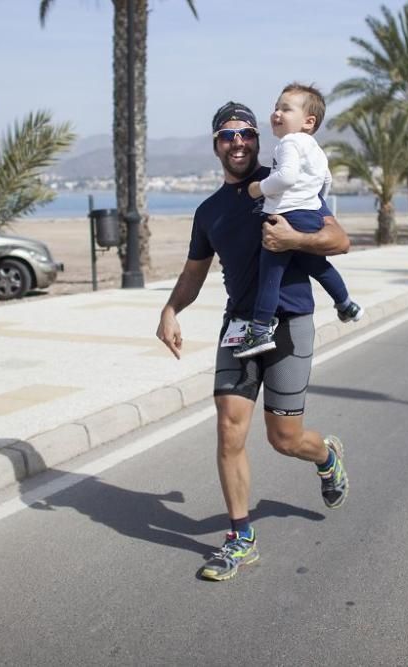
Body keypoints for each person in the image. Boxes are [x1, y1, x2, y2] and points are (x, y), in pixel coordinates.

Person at [156, 101, 350, 582]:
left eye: (245, 133)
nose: (238, 142)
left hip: (288, 321)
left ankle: (325, 455)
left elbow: (339, 240)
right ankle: (241, 537)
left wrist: (294, 240)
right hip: (240, 323)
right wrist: (169, 309)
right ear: (216, 144)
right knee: (229, 427)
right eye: (227, 135)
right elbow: (194, 274)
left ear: (258, 139)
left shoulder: (286, 182)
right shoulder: (209, 212)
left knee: (284, 439)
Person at [237, 83, 363, 358]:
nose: (277, 113)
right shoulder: (316, 149)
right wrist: (316, 207)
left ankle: (258, 332)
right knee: (318, 265)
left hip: (286, 216)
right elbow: (326, 181)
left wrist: (259, 188)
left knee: (271, 274)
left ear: (308, 121)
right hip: (309, 215)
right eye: (276, 108)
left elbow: (286, 178)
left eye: (285, 108)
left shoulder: (289, 143)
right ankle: (346, 304)